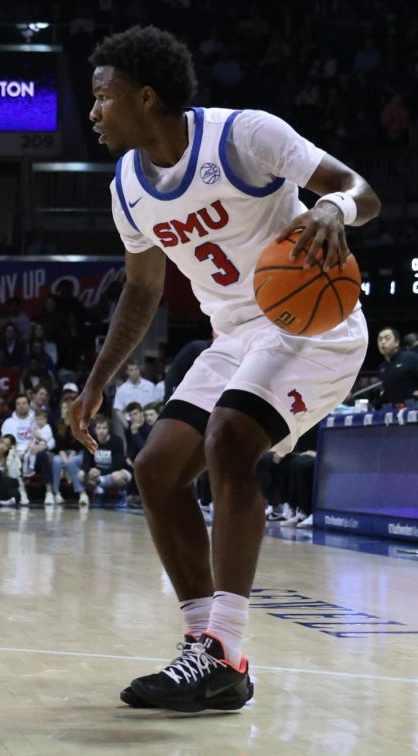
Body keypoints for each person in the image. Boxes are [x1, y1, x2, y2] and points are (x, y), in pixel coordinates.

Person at [70, 26, 376, 713]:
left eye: (102, 97)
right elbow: (143, 291)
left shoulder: (244, 137)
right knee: (156, 469)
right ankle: (208, 651)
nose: (92, 112)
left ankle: (225, 648)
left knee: (230, 437)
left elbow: (362, 189)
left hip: (313, 326)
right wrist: (96, 384)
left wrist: (331, 207)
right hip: (236, 335)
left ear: (146, 98)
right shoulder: (127, 186)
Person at [375, 326, 418, 408]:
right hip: (394, 413)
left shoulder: (411, 358)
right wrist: (372, 406)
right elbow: (387, 392)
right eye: (380, 339)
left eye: (387, 338)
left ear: (397, 342)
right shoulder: (382, 367)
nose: (383, 342)